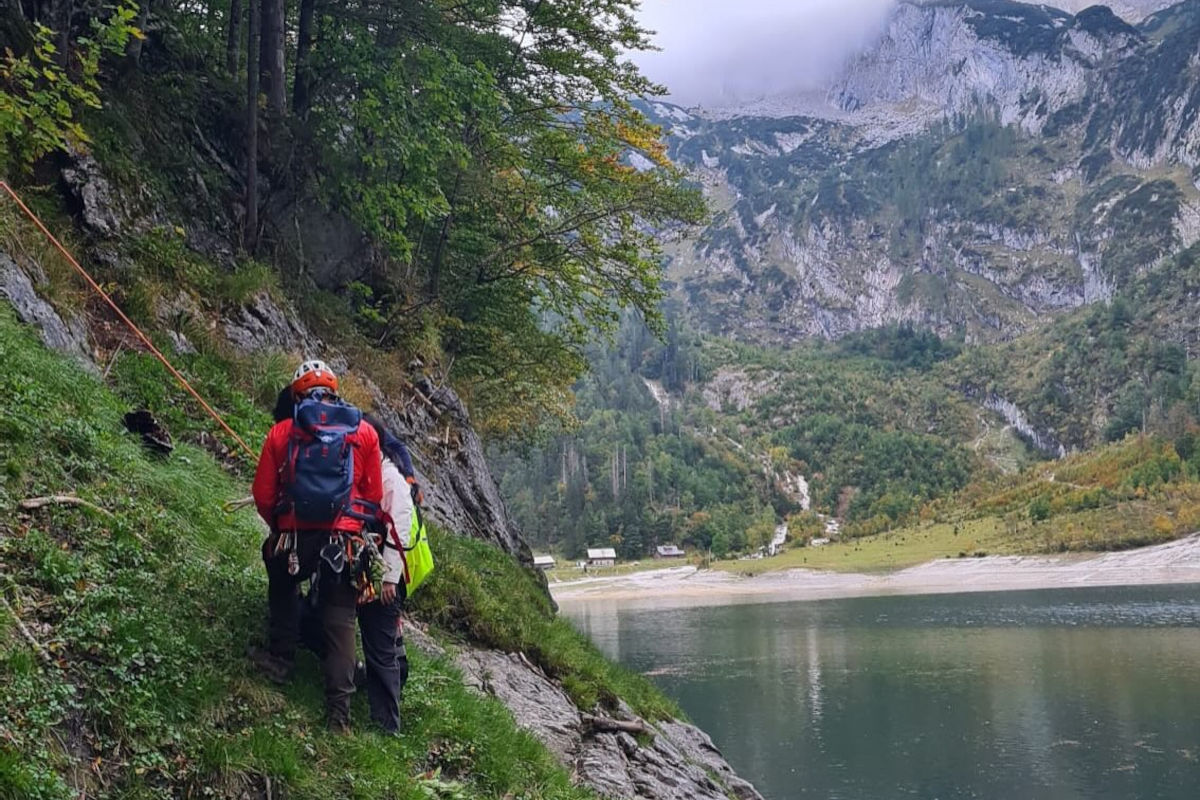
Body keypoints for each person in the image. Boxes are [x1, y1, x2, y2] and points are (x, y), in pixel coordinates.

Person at [250, 359, 383, 733]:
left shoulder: (281, 432)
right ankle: (339, 715)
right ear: (334, 392)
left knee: (281, 577)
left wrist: (280, 525)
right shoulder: (364, 433)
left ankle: (280, 658)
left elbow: (262, 493)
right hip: (345, 540)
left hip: (296, 536)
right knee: (341, 620)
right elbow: (373, 494)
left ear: (297, 395)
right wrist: (352, 524)